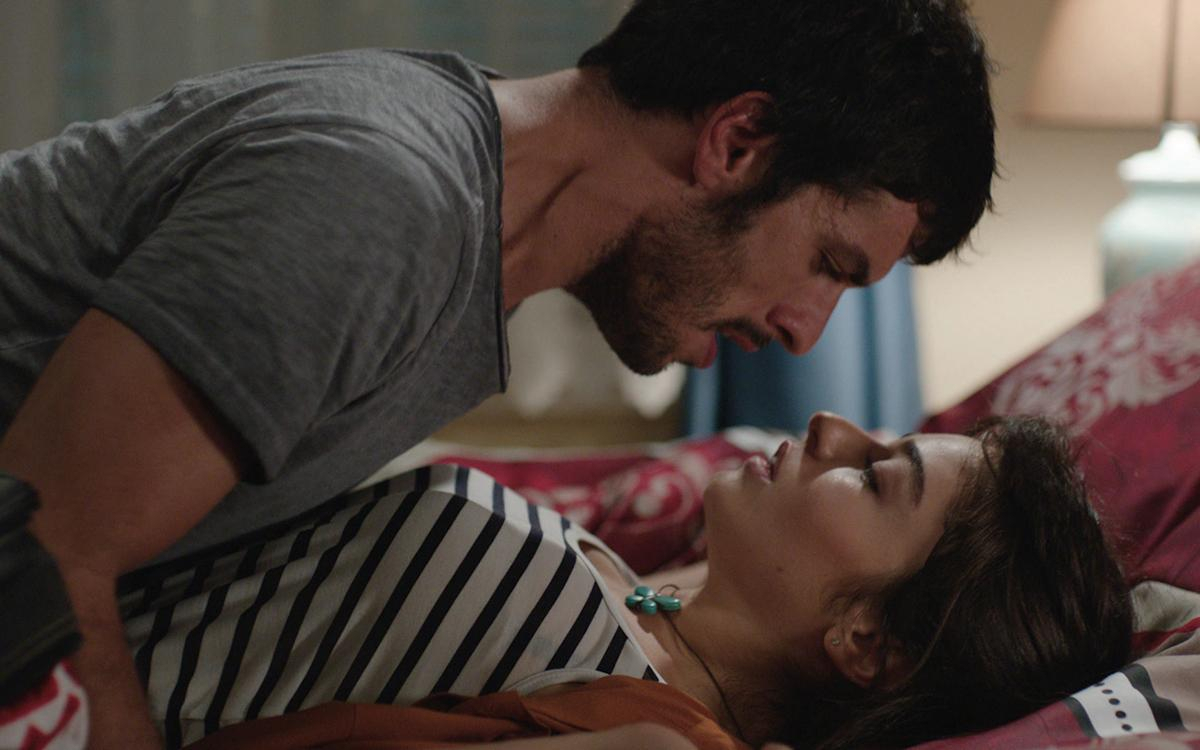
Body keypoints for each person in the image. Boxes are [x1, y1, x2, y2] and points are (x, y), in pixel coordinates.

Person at [0, 1, 996, 747]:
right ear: (736, 143)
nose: (805, 333)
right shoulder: (385, 202)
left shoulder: (471, 234)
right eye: (830, 264)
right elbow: (42, 562)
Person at [122, 413, 1132, 750]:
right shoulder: (666, 606)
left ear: (868, 641)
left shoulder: (649, 733)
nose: (832, 428)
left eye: (875, 477)